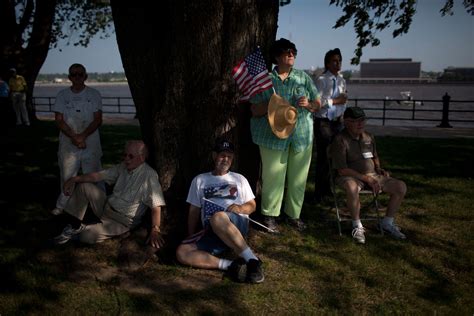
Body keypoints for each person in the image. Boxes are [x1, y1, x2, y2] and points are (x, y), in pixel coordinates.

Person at [249, 38, 321, 232]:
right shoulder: (265, 81)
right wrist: (272, 105)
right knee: (273, 177)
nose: (291, 55)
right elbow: (254, 110)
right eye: (287, 51)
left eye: (293, 52)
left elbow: (318, 103)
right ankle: (270, 216)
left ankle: (293, 215)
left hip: (301, 135)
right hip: (271, 135)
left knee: (298, 178)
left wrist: (310, 105)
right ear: (276, 56)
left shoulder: (303, 77)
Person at [176, 140, 264, 284]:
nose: (226, 160)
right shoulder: (200, 180)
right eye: (222, 155)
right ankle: (232, 266)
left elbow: (252, 205)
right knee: (182, 252)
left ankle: (253, 260)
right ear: (213, 156)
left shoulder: (239, 179)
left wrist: (240, 208)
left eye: (229, 157)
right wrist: (191, 235)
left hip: (235, 225)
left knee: (218, 218)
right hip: (211, 231)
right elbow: (194, 211)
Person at [53, 140, 166, 248]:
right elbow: (99, 176)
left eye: (131, 156)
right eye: (125, 155)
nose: (126, 159)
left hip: (122, 221)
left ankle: (81, 230)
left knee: (87, 236)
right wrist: (74, 179)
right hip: (106, 207)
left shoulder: (149, 176)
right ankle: (72, 223)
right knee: (84, 186)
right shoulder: (123, 167)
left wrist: (155, 230)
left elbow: (156, 206)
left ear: (142, 158)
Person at [329, 107, 407, 244]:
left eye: (362, 120)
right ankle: (357, 225)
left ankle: (387, 223)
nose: (360, 124)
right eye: (356, 121)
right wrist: (367, 179)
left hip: (372, 175)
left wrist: (378, 168)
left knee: (400, 186)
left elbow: (375, 156)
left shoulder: (369, 137)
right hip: (350, 176)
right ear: (346, 122)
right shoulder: (340, 140)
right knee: (351, 187)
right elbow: (342, 170)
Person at [51, 63, 104, 216]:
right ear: (69, 78)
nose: (77, 77)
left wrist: (83, 136)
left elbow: (97, 119)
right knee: (67, 174)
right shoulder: (62, 95)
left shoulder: (94, 94)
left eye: (80, 74)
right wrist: (74, 137)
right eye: (74, 74)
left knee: (93, 172)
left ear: (85, 76)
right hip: (68, 142)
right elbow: (59, 120)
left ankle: (99, 205)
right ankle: (63, 206)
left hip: (91, 140)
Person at [313, 48, 348, 203]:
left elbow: (344, 100)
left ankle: (328, 189)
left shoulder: (341, 80)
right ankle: (319, 192)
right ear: (327, 63)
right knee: (323, 157)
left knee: (336, 157)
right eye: (334, 60)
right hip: (324, 122)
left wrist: (341, 112)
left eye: (339, 60)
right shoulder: (321, 80)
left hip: (337, 122)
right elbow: (316, 103)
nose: (337, 63)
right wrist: (335, 101)